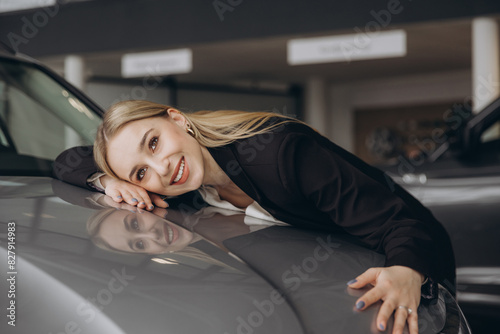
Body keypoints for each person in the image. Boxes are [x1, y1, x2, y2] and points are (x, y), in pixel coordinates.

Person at [53, 100, 456, 334]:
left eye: (154, 143)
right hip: (327, 295)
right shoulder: (186, 188)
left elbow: (402, 221)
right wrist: (105, 180)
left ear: (177, 119)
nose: (160, 170)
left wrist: (406, 269)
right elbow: (66, 160)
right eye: (140, 173)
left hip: (408, 268)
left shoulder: (279, 154)